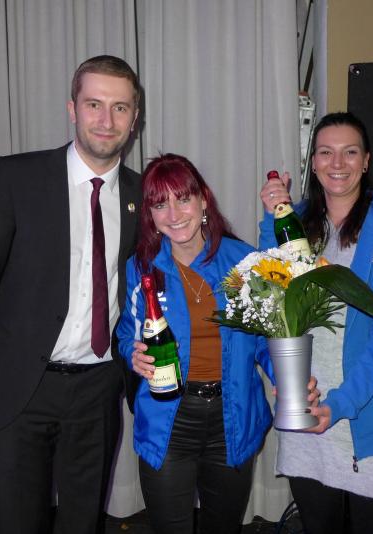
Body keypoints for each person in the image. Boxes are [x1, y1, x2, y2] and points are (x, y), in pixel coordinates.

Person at [0, 55, 142, 534]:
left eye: (120, 107)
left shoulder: (140, 196)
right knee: (21, 522)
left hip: (98, 388)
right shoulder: (16, 178)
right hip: (23, 386)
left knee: (83, 522)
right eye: (94, 104)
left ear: (134, 117)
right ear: (72, 109)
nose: (106, 119)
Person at [259, 111, 373, 534]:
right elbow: (268, 302)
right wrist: (271, 218)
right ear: (312, 163)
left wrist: (341, 404)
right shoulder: (296, 220)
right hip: (307, 414)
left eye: (350, 152)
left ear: (366, 161)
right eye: (326, 152)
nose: (337, 163)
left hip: (367, 421)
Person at [116, 154, 274, 534]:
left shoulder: (243, 261)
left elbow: (267, 340)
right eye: (160, 204)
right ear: (150, 214)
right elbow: (126, 332)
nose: (173, 214)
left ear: (203, 200)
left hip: (232, 416)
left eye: (183, 199)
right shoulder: (142, 268)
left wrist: (291, 380)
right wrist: (132, 354)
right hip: (169, 419)